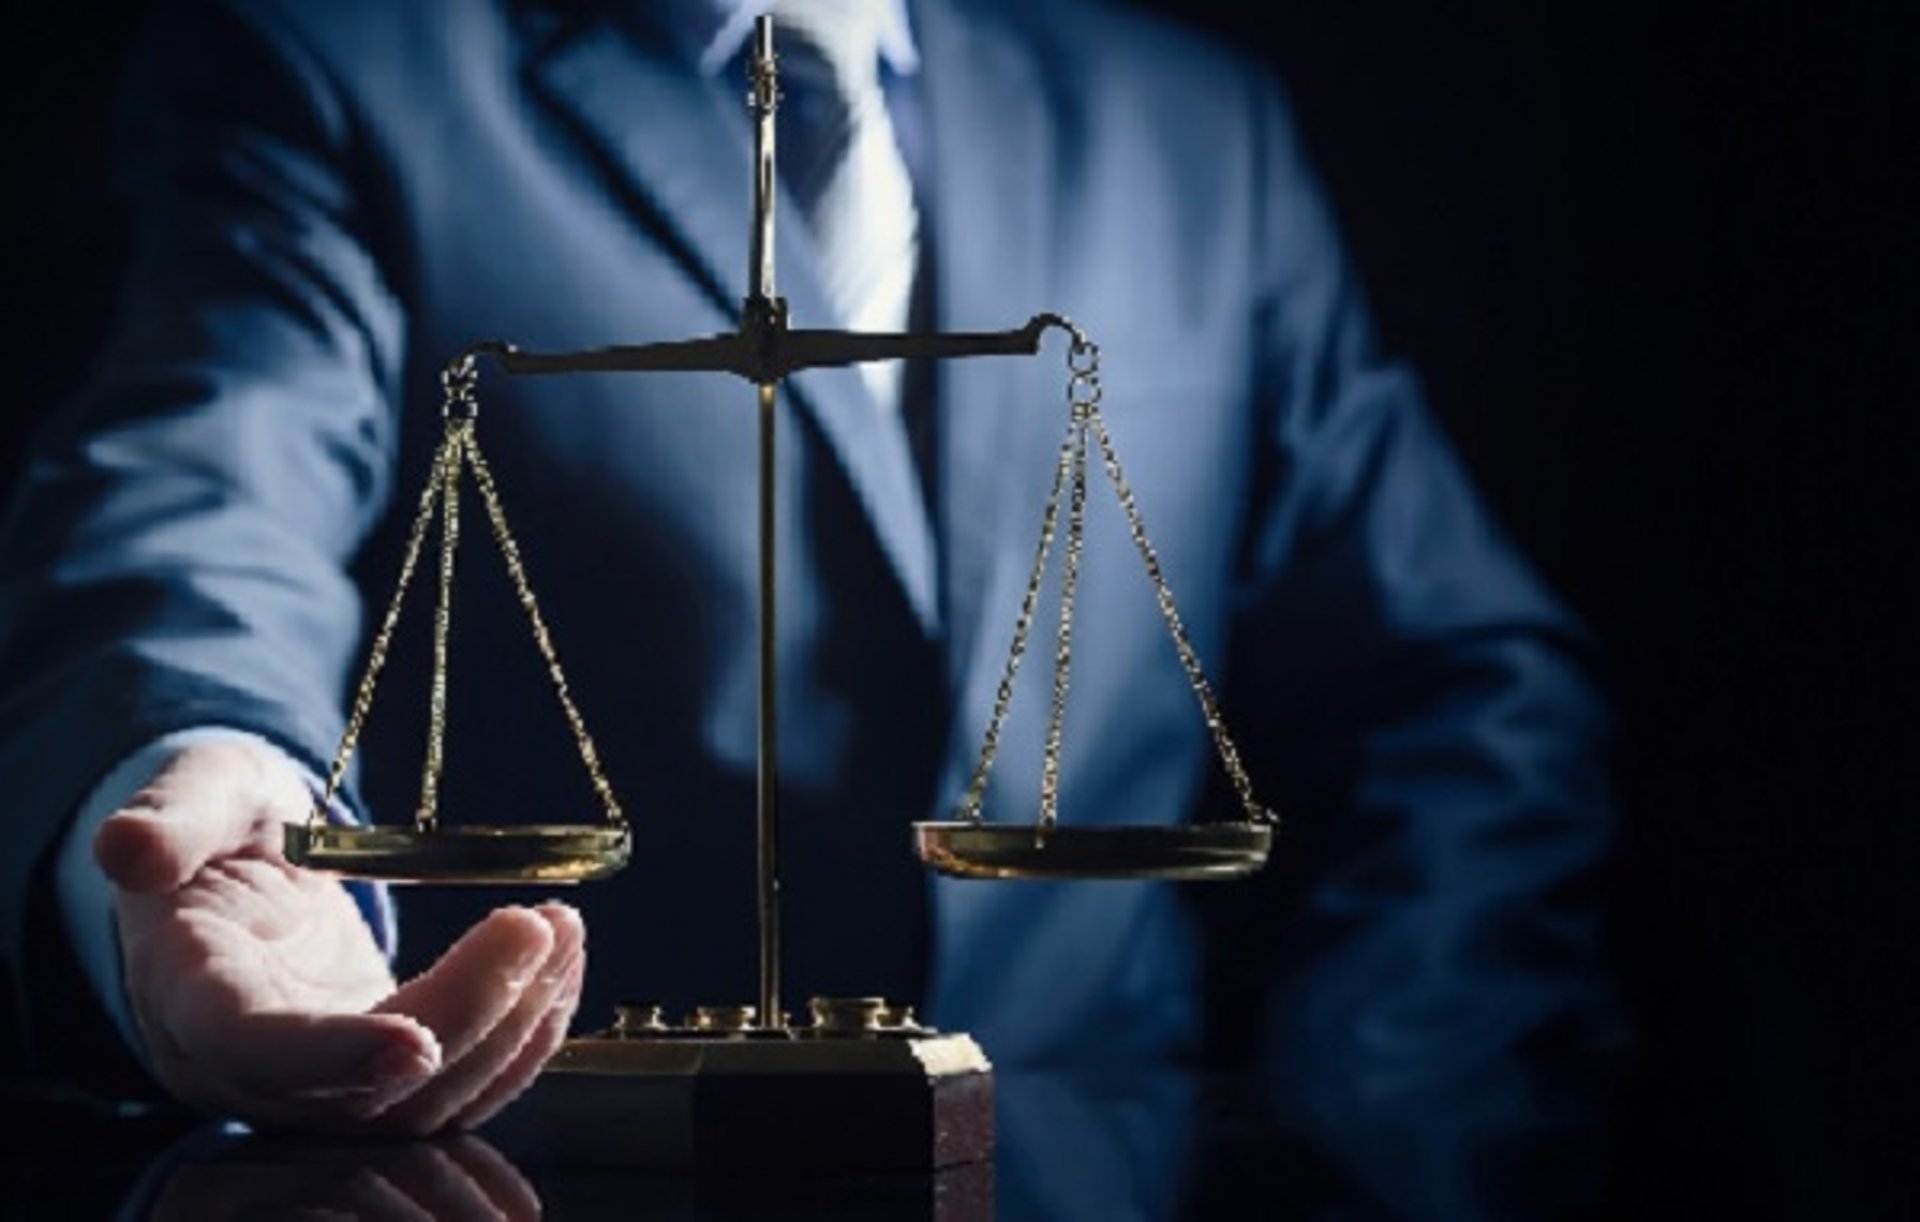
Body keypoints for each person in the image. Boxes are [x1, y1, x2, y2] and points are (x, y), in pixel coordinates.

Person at [0, 0, 1623, 1212]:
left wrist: (1366, 1126)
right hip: (571, 1181)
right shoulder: (338, 62)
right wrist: (212, 765)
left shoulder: (1193, 126)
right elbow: (209, 491)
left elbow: (1470, 686)